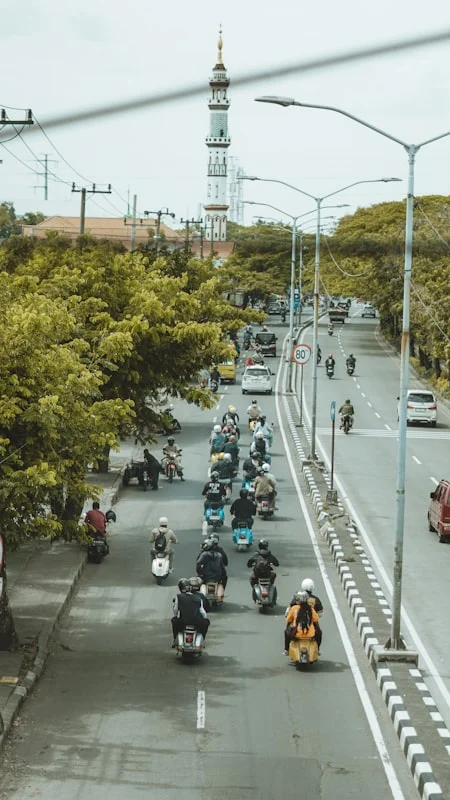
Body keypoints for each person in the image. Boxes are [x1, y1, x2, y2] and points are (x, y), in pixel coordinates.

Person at [283, 579, 323, 653]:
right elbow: (319, 615)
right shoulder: (312, 607)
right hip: (310, 631)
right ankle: (317, 649)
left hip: (296, 632)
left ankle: (286, 649)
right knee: (319, 632)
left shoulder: (295, 606)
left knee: (287, 630)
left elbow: (288, 617)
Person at [171, 578, 209, 645]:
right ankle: (203, 639)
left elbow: (175, 611)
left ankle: (174, 639)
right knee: (206, 622)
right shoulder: (198, 598)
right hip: (197, 622)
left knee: (174, 621)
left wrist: (176, 616)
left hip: (183, 621)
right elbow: (203, 613)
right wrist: (204, 618)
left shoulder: (179, 597)